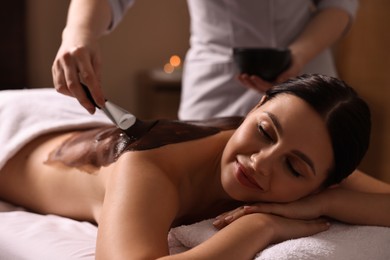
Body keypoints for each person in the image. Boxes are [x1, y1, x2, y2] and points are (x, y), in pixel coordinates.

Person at [0, 74, 389, 259]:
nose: (259, 161)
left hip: (83, 127)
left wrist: (323, 206)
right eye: (265, 131)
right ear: (253, 110)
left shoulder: (312, 165)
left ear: (323, 185)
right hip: (15, 131)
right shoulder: (149, 167)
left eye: (294, 167)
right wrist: (259, 226)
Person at [52, 0, 359, 120]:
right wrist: (78, 32)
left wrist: (297, 56)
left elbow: (339, 5)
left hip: (306, 74)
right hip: (216, 85)